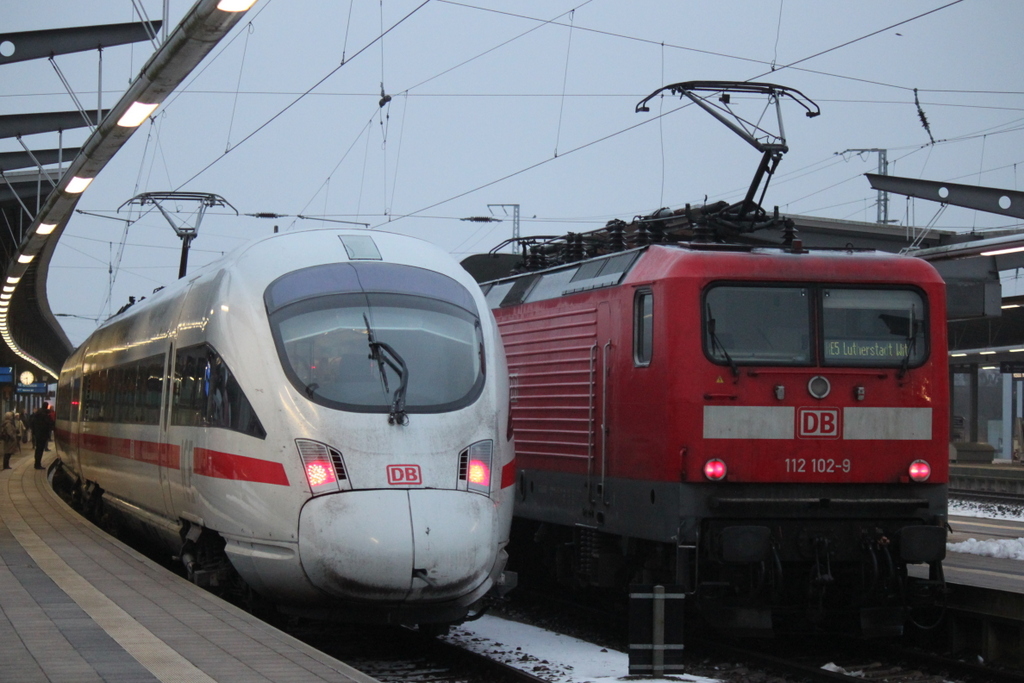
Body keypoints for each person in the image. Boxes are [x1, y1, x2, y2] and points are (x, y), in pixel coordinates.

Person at [29, 404, 53, 470]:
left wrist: (34, 432)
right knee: (40, 449)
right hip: (43, 434)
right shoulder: (45, 415)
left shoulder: (37, 414)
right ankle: (38, 464)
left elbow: (32, 423)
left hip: (37, 434)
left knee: (38, 449)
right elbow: (49, 423)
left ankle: (36, 463)